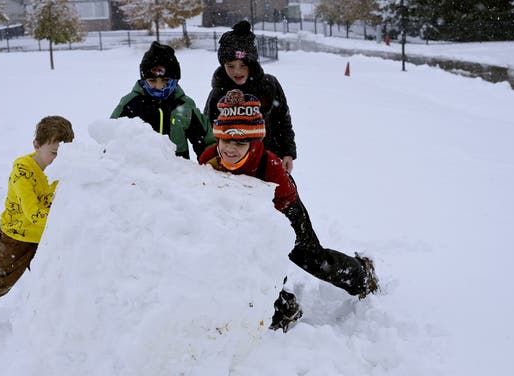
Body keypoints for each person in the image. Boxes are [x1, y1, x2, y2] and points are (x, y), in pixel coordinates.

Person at [199, 89, 378, 333]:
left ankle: (360, 275)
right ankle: (282, 309)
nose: (231, 149)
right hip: (244, 220)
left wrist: (272, 231)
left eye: (240, 142)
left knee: (313, 260)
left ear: (253, 142)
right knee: (256, 268)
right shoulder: (209, 159)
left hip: (284, 213)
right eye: (226, 140)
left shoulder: (269, 165)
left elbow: (286, 200)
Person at [0, 116, 75, 324]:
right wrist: (66, 220)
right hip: (16, 236)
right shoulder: (23, 172)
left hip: (46, 236)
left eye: (64, 155)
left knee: (54, 277)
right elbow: (32, 213)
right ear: (36, 146)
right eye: (54, 153)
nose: (58, 160)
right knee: (2, 279)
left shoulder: (63, 170)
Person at [204, 20, 297, 173]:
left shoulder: (268, 85)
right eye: (230, 66)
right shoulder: (218, 92)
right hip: (230, 163)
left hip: (266, 161)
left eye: (243, 65)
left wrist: (287, 152)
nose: (237, 72)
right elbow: (208, 129)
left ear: (252, 63)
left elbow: (282, 120)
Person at [111, 41, 215, 160]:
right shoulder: (131, 103)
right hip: (138, 171)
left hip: (177, 172)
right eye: (152, 80)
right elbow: (111, 137)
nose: (159, 86)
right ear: (144, 79)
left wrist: (211, 162)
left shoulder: (184, 106)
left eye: (165, 80)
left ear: (175, 80)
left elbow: (205, 139)